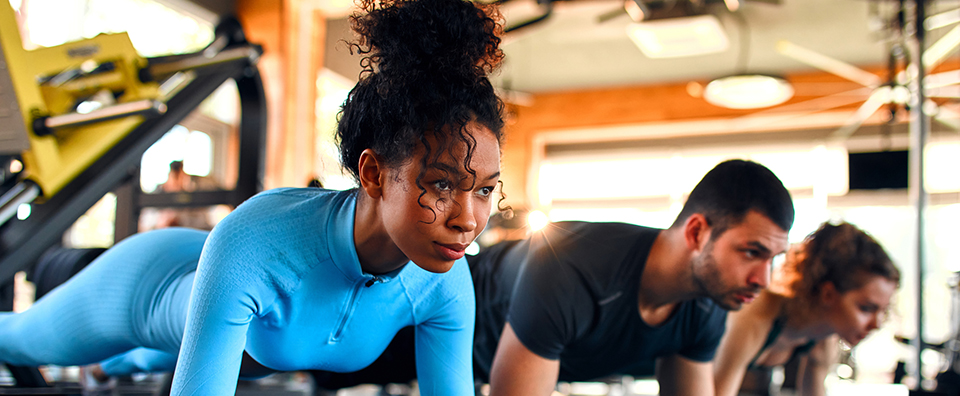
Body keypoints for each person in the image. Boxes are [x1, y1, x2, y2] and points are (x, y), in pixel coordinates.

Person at [0, 0, 505, 394]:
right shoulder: (259, 243)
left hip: (249, 347)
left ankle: (109, 367)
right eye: (441, 184)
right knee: (19, 339)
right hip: (151, 284)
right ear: (373, 173)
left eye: (484, 189)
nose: (468, 219)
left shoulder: (446, 285)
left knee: (154, 358)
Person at [311, 159, 796, 395]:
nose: (762, 277)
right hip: (421, 314)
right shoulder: (575, 268)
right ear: (697, 231)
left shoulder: (706, 306)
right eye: (752, 252)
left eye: (773, 258)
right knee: (297, 363)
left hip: (472, 365)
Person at [713, 221, 900, 396]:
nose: (877, 324)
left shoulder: (823, 338)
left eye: (883, 310)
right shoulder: (755, 316)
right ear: (828, 295)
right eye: (866, 308)